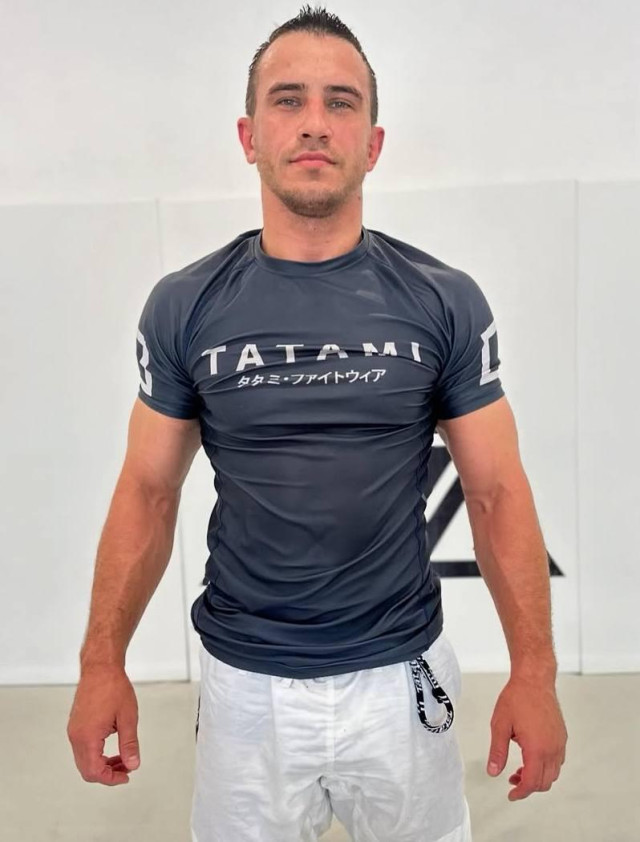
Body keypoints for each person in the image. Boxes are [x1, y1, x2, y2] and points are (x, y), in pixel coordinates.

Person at [67, 5, 568, 841]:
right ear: (248, 135)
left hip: (400, 679)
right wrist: (100, 665)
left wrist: (536, 675)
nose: (313, 123)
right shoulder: (185, 305)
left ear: (373, 142)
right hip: (246, 691)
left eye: (341, 102)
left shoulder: (444, 300)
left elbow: (497, 493)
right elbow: (148, 490)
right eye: (287, 99)